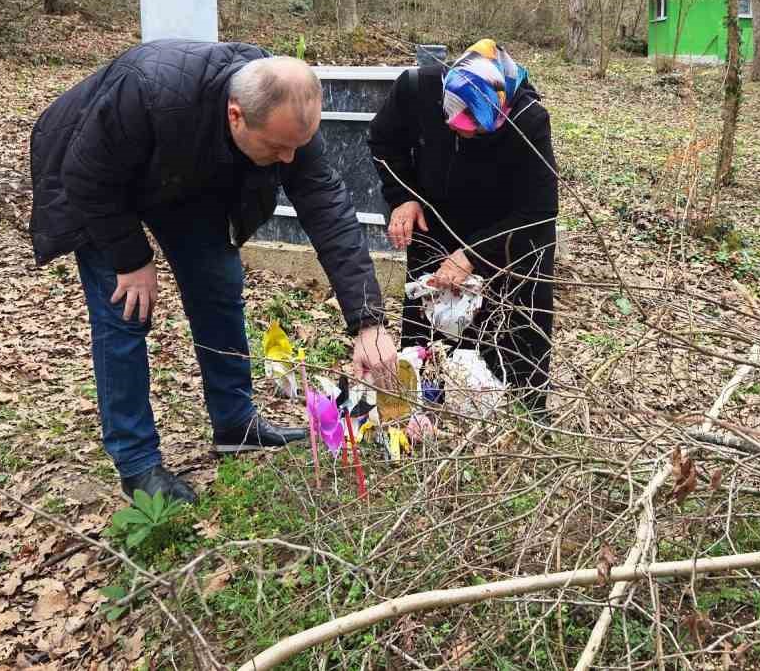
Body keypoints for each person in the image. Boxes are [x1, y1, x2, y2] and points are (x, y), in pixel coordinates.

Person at [30, 41, 398, 504]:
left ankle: (235, 424)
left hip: (186, 180)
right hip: (95, 178)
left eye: (297, 147)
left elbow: (328, 209)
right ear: (236, 115)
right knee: (124, 312)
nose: (289, 160)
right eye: (277, 148)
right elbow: (84, 174)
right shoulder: (149, 92)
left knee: (219, 286)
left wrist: (367, 321)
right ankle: (138, 465)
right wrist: (130, 258)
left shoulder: (287, 117)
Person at [367, 39, 557, 411]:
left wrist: (473, 255)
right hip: (436, 222)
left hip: (507, 234)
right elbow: (383, 142)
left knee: (511, 336)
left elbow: (540, 211)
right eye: (454, 124)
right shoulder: (415, 90)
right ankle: (427, 410)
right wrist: (402, 196)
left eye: (475, 129)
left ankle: (518, 418)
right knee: (432, 326)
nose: (463, 134)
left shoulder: (529, 120)